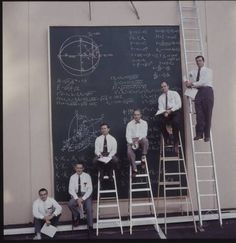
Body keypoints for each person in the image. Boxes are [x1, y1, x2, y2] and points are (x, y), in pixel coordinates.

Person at [185, 55, 214, 142]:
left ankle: (207, 135)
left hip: (207, 91)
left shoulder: (208, 71)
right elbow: (186, 77)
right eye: (197, 61)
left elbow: (203, 82)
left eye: (200, 60)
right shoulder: (194, 72)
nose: (198, 62)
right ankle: (199, 134)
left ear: (203, 61)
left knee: (207, 114)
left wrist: (192, 84)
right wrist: (187, 82)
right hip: (198, 92)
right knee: (199, 114)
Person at [68, 161, 93, 237]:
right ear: (75, 168)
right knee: (70, 204)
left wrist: (83, 198)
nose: (79, 169)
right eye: (77, 168)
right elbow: (71, 190)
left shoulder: (87, 176)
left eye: (80, 168)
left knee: (89, 208)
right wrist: (77, 199)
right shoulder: (72, 177)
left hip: (85, 195)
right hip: (76, 195)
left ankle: (90, 226)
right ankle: (77, 215)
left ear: (83, 168)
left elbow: (90, 189)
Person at [155, 81, 182, 153]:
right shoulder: (160, 98)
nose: (163, 88)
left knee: (175, 122)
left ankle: (175, 142)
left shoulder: (174, 93)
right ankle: (166, 137)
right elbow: (160, 108)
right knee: (159, 121)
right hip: (165, 113)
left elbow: (179, 105)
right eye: (162, 87)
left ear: (168, 86)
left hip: (174, 112)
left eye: (164, 86)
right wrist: (164, 112)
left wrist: (170, 111)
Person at [126, 109, 149, 177]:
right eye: (135, 115)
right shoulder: (129, 124)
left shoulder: (144, 123)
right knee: (129, 151)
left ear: (141, 115)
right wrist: (131, 142)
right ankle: (134, 169)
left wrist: (137, 140)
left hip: (140, 139)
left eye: (138, 115)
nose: (136, 116)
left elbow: (144, 134)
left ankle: (143, 157)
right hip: (132, 141)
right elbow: (128, 135)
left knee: (145, 140)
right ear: (133, 115)